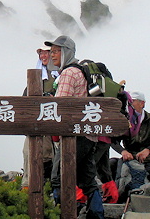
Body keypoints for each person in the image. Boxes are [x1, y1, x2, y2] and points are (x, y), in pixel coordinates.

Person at [45, 35, 104, 219]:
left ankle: (61, 213)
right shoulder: (81, 70)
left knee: (58, 176)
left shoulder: (69, 73)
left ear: (67, 52)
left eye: (56, 51)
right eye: (51, 51)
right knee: (88, 179)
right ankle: (97, 215)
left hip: (74, 136)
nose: (52, 55)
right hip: (88, 135)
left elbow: (60, 105)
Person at [21, 44, 59, 190]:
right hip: (37, 124)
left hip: (53, 127)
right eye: (40, 53)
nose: (43, 56)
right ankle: (29, 185)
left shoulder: (60, 75)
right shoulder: (36, 76)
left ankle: (47, 187)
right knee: (29, 152)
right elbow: (25, 98)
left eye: (47, 53)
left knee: (50, 157)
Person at [112, 91, 150, 199]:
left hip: (148, 159)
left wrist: (148, 150)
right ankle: (116, 197)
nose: (130, 104)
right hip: (130, 158)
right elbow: (113, 140)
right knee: (113, 165)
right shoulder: (125, 120)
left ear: (142, 103)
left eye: (132, 101)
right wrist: (123, 151)